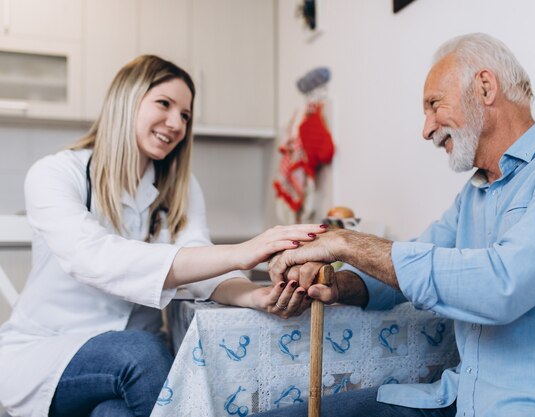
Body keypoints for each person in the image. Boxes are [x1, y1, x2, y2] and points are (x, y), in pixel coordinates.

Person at [260, 33, 535, 416]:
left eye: (434, 105)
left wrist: (345, 243)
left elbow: (503, 286)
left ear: (485, 86)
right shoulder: (476, 192)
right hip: (457, 400)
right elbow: (414, 260)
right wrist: (337, 284)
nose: (426, 129)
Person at [0, 55, 324, 417]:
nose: (176, 123)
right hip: (49, 354)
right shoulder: (56, 173)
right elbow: (92, 257)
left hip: (122, 373)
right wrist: (242, 251)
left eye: (185, 115)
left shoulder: (180, 189)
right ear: (127, 100)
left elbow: (202, 262)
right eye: (164, 104)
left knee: (115, 412)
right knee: (141, 352)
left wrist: (254, 295)